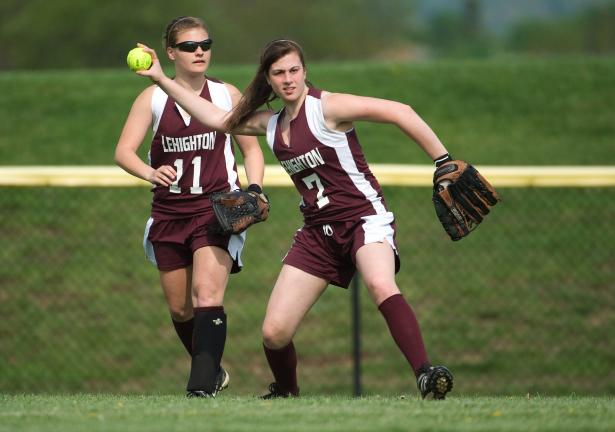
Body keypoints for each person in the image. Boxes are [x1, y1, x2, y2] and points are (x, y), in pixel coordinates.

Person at [135, 38, 454, 400]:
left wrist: (442, 161)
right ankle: (286, 392)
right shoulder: (271, 124)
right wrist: (161, 78)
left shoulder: (329, 107)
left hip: (363, 219)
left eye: (294, 70)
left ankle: (426, 374)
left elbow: (402, 111)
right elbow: (218, 119)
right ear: (268, 80)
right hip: (318, 232)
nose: (287, 78)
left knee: (381, 285)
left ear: (305, 72)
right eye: (278, 73)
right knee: (274, 332)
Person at [114, 16, 265, 398]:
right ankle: (211, 371)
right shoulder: (153, 98)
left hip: (216, 209)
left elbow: (251, 150)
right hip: (169, 212)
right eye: (189, 46)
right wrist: (150, 172)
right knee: (181, 309)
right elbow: (123, 152)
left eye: (205, 45)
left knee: (207, 296)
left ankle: (200, 387)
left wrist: (255, 188)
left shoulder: (226, 94)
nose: (199, 52)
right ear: (170, 53)